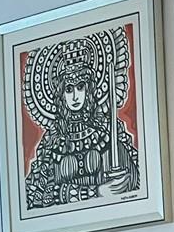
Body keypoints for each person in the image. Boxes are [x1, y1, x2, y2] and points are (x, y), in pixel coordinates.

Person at [22, 31, 141, 210]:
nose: (75, 96)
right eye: (69, 89)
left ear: (89, 88)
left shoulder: (108, 129)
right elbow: (36, 194)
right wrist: (94, 193)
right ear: (61, 94)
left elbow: (138, 174)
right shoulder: (53, 140)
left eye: (80, 87)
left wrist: (124, 183)